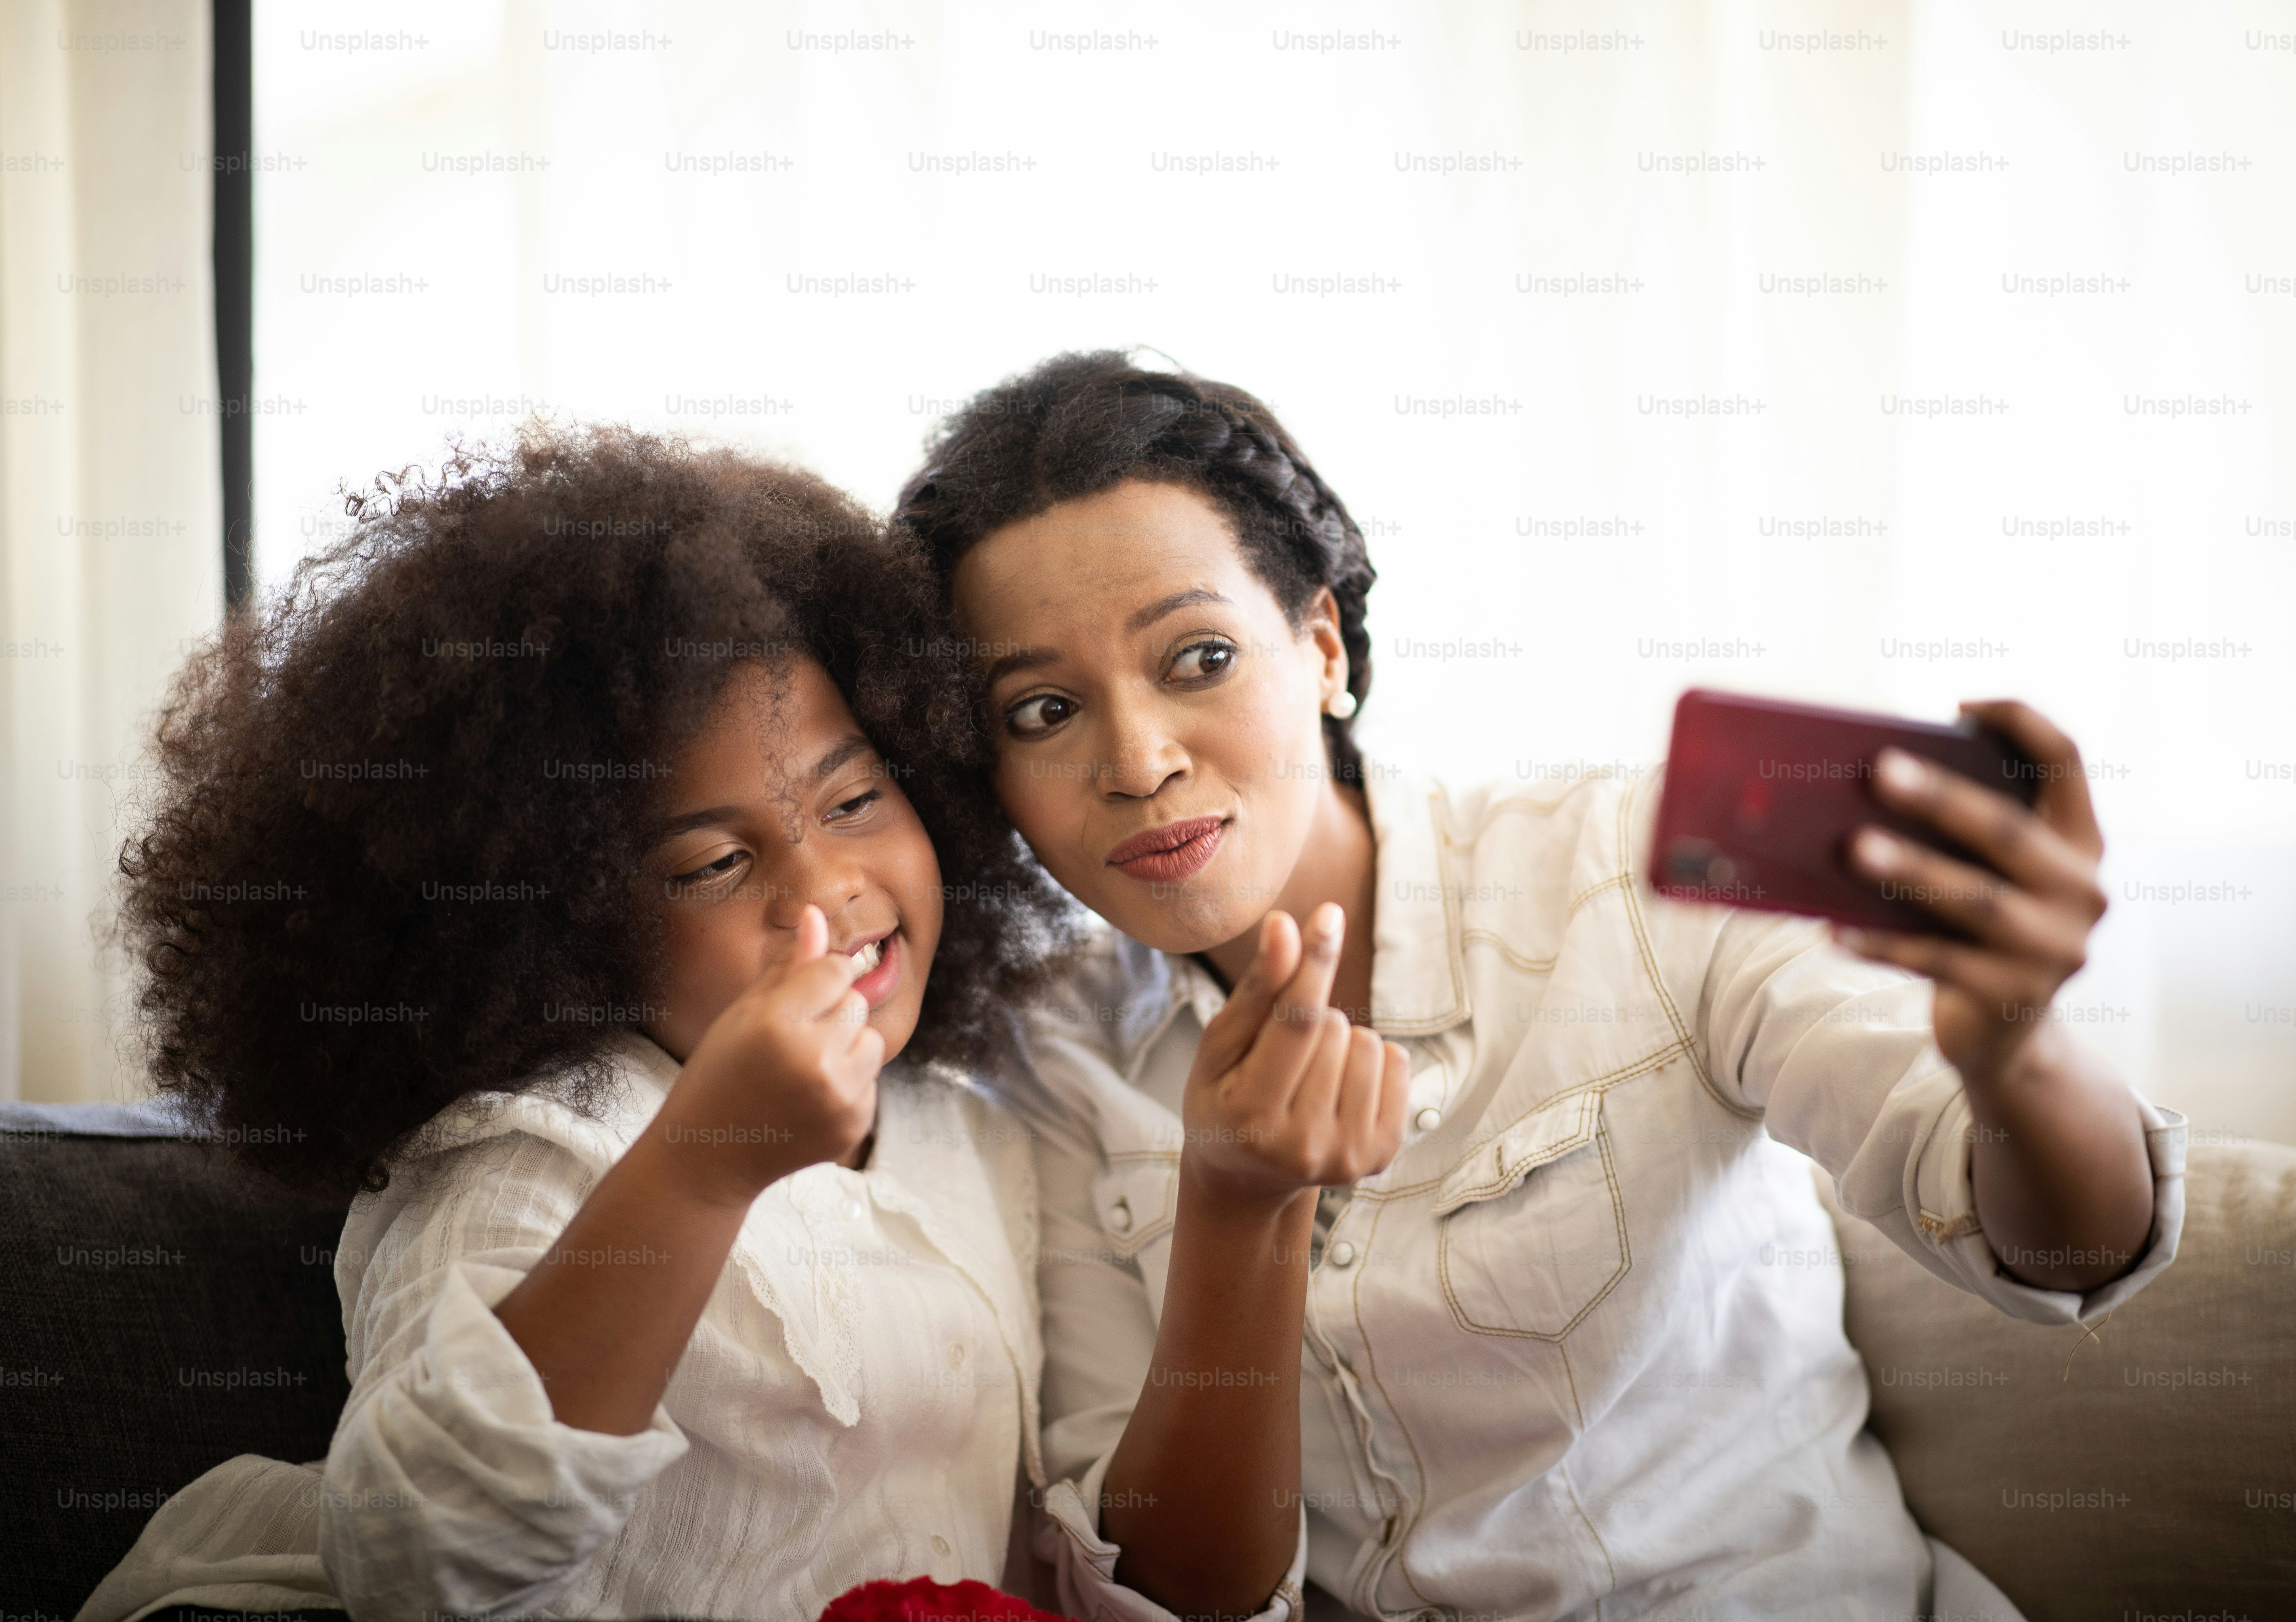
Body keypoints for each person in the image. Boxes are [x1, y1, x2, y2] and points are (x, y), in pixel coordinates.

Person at [895, 352, 2189, 1622]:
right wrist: (1243, 1210)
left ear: (1326, 648)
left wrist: (2014, 1049)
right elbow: (1185, 1596)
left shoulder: (1628, 880)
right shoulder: (1046, 1061)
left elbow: (2070, 1251)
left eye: (1197, 660)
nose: (1137, 760)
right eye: (1043, 711)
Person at [80, 427, 1079, 1621]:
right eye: (712, 864)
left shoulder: (985, 1133)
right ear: (566, 922)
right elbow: (416, 1563)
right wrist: (702, 1172)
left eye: (857, 798)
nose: (825, 895)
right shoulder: (543, 1152)